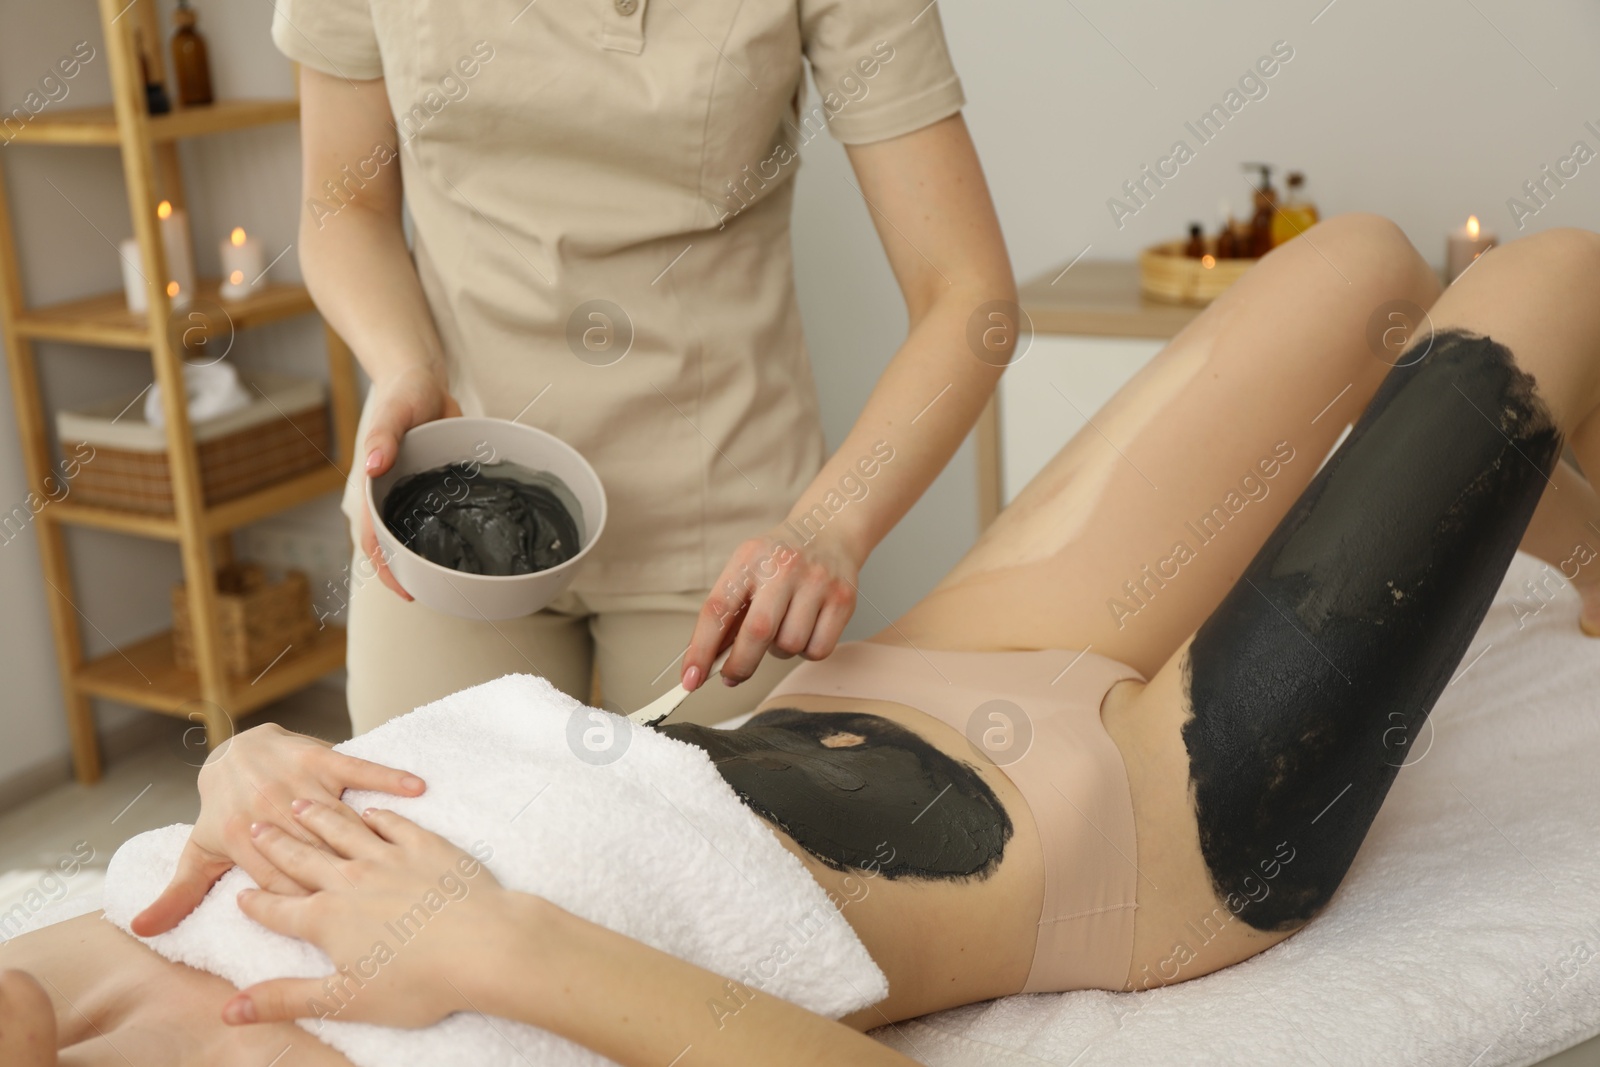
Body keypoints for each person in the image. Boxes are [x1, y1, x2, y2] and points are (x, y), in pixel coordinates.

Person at [6, 217, 1600, 1067]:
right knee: (1554, 277)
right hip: (1123, 828)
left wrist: (243, 755)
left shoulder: (62, 953)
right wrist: (492, 945)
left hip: (898, 678)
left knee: (1372, 268)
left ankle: (1554, 536)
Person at [275, 0, 1018, 738]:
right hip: (444, 494)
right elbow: (343, 206)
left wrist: (832, 528)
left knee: (727, 847)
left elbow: (968, 298)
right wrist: (407, 364)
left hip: (726, 534)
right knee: (431, 846)